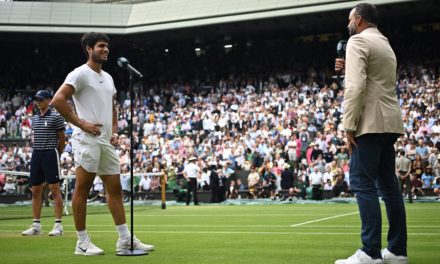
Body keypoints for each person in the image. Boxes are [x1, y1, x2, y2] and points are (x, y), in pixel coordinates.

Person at [52, 32, 153, 255]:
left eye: (107, 46)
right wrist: (81, 123)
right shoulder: (79, 74)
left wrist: (114, 131)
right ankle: (81, 242)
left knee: (115, 190)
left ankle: (125, 240)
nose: (105, 50)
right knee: (83, 189)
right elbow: (58, 100)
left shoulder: (108, 77)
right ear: (89, 48)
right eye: (100, 46)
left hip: (106, 142)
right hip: (87, 140)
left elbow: (112, 107)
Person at [334, 4, 408, 264]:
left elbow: (355, 88)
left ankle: (370, 252)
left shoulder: (357, 41)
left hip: (369, 122)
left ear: (359, 19)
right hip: (389, 121)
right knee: (389, 186)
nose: (348, 24)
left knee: (362, 183)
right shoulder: (384, 43)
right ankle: (397, 251)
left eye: (350, 19)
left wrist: (348, 126)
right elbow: (375, 80)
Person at [22, 90, 65, 237]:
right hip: (37, 154)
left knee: (54, 188)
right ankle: (36, 225)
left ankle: (58, 225)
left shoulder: (56, 117)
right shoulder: (34, 118)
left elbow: (62, 139)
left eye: (41, 99)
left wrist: (56, 154)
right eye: (36, 100)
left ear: (49, 100)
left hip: (50, 153)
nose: (38, 102)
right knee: (35, 190)